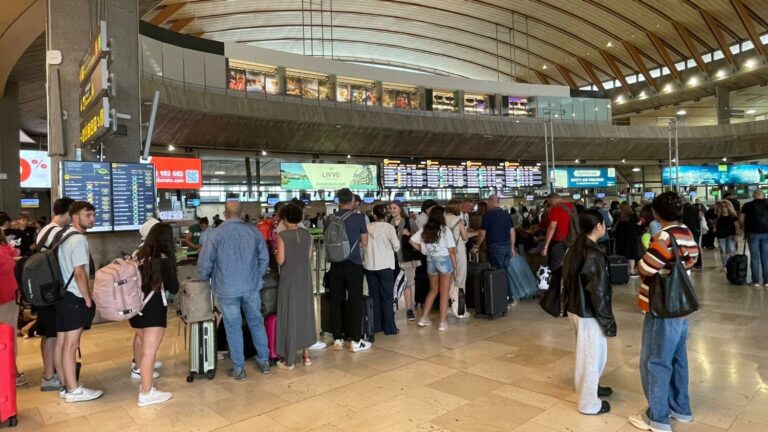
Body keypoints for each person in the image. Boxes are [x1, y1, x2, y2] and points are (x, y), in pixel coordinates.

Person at [629, 192, 698, 432]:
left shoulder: (664, 237)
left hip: (662, 307)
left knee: (655, 361)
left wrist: (644, 261)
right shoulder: (687, 233)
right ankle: (681, 408)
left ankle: (657, 417)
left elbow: (646, 267)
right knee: (678, 359)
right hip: (681, 307)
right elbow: (689, 262)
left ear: (657, 214)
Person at [198, 202, 271, 380]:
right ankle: (264, 362)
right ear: (242, 213)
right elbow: (264, 258)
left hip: (226, 288)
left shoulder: (215, 234)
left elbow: (205, 263)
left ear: (224, 214)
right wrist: (257, 276)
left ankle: (239, 369)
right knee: (256, 323)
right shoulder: (253, 232)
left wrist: (204, 277)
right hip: (251, 287)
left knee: (233, 327)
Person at [562, 209, 616, 415]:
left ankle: (591, 386)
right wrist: (607, 321)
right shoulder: (593, 254)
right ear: (597, 227)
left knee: (588, 354)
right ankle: (588, 404)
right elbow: (599, 292)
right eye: (603, 224)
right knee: (592, 356)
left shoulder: (575, 247)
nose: (605, 227)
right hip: (588, 311)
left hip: (575, 308)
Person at [55, 201, 101, 402]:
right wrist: (87, 298)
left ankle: (67, 386)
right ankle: (74, 390)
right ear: (75, 217)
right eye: (88, 215)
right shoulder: (79, 240)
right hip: (74, 297)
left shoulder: (62, 236)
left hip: (62, 296)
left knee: (64, 344)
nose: (92, 219)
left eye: (93, 215)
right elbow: (79, 271)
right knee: (72, 345)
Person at [130, 223, 179, 406]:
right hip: (154, 310)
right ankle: (146, 392)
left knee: (144, 351)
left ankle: (145, 385)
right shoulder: (162, 260)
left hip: (135, 310)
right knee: (149, 353)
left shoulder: (137, 256)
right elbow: (174, 287)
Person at [33, 197, 74, 392]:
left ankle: (51, 373)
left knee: (47, 333)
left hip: (41, 290)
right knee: (54, 335)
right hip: (51, 291)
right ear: (68, 212)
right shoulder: (58, 233)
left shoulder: (45, 230)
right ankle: (51, 376)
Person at [325, 188, 371, 352]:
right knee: (355, 301)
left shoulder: (329, 219)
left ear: (338, 201)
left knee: (336, 302)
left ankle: (337, 339)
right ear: (352, 201)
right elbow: (364, 242)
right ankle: (356, 341)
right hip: (353, 264)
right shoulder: (358, 218)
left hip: (335, 265)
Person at [275, 203, 317, 370]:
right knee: (305, 313)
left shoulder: (283, 235)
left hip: (289, 280)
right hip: (305, 279)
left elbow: (281, 260)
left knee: (289, 313)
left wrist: (276, 253)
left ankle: (289, 359)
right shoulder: (307, 235)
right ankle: (306, 355)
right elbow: (308, 257)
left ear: (284, 218)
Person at [410, 206, 457, 331]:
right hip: (444, 261)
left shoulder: (425, 229)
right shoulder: (445, 230)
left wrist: (423, 250)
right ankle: (442, 322)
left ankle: (424, 318)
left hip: (431, 260)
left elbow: (411, 240)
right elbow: (451, 250)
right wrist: (455, 266)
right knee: (444, 292)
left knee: (433, 290)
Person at [475, 195, 518, 305]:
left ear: (490, 202)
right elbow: (512, 232)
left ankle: (506, 298)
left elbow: (482, 234)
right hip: (507, 246)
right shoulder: (506, 215)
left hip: (495, 246)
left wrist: (477, 246)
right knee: (504, 271)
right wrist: (512, 248)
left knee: (499, 272)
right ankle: (509, 296)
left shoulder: (488, 216)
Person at [364, 204, 400, 335]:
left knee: (374, 297)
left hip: (370, 266)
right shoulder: (389, 228)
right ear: (386, 215)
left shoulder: (367, 227)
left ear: (373, 215)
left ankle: (376, 326)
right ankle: (390, 328)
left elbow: (362, 244)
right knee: (387, 297)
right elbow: (396, 246)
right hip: (385, 266)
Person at [0, 228, 26, 387]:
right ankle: (11, 373)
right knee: (7, 338)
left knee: (6, 338)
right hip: (8, 299)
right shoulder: (5, 252)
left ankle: (11, 372)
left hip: (6, 299)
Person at [389, 201, 419, 321]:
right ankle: (392, 308)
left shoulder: (408, 221)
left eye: (394, 208)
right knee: (392, 283)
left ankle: (409, 309)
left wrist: (409, 234)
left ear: (400, 209)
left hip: (406, 257)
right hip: (391, 258)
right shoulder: (387, 223)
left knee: (407, 283)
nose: (392, 210)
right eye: (390, 208)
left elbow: (419, 235)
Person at [541, 193, 577, 285]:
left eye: (550, 203)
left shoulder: (556, 208)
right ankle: (569, 288)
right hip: (572, 241)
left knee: (556, 269)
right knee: (569, 266)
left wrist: (545, 247)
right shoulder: (572, 206)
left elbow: (552, 228)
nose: (550, 205)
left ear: (552, 199)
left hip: (559, 243)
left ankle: (558, 291)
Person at [445, 199, 469, 317]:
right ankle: (460, 309)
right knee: (460, 278)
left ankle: (449, 307)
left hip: (445, 253)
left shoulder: (441, 220)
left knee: (448, 280)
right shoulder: (458, 221)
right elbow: (465, 237)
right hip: (457, 251)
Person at [740, 190, 768, 287]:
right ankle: (766, 281)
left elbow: (741, 220)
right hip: (766, 233)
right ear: (764, 196)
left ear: (753, 196)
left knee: (755, 257)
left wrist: (743, 228)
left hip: (752, 233)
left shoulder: (747, 205)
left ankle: (755, 281)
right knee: (766, 257)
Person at [613, 204, 643, 277]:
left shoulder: (618, 217)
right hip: (631, 238)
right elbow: (640, 224)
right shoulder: (633, 216)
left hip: (621, 239)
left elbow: (614, 227)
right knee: (631, 254)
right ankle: (632, 271)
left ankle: (625, 270)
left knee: (623, 254)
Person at [715, 200, 739, 271]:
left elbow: (736, 226)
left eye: (725, 206)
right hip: (720, 235)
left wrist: (736, 235)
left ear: (729, 207)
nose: (724, 208)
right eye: (722, 207)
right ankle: (724, 265)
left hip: (730, 235)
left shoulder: (733, 216)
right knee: (723, 251)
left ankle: (731, 264)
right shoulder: (719, 216)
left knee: (731, 250)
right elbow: (717, 225)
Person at [682, 202, 703, 271]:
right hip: (696, 229)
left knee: (694, 246)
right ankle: (697, 264)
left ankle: (696, 264)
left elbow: (688, 220)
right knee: (695, 246)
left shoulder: (687, 208)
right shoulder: (693, 208)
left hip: (691, 230)